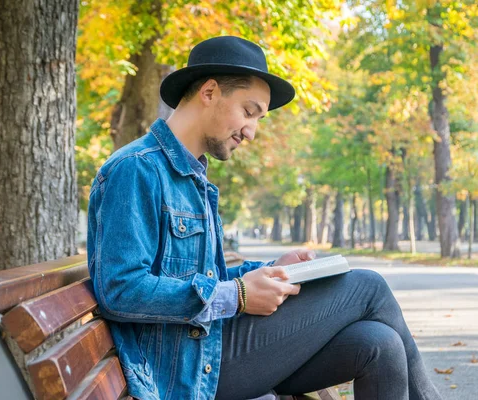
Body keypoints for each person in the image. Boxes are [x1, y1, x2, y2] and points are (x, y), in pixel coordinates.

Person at [87, 36, 442, 400]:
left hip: (209, 348)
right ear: (209, 92)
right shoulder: (136, 169)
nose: (251, 131)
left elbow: (205, 280)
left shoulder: (193, 178)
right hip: (184, 370)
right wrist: (237, 295)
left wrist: (273, 268)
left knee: (378, 343)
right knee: (368, 286)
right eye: (249, 111)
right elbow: (121, 290)